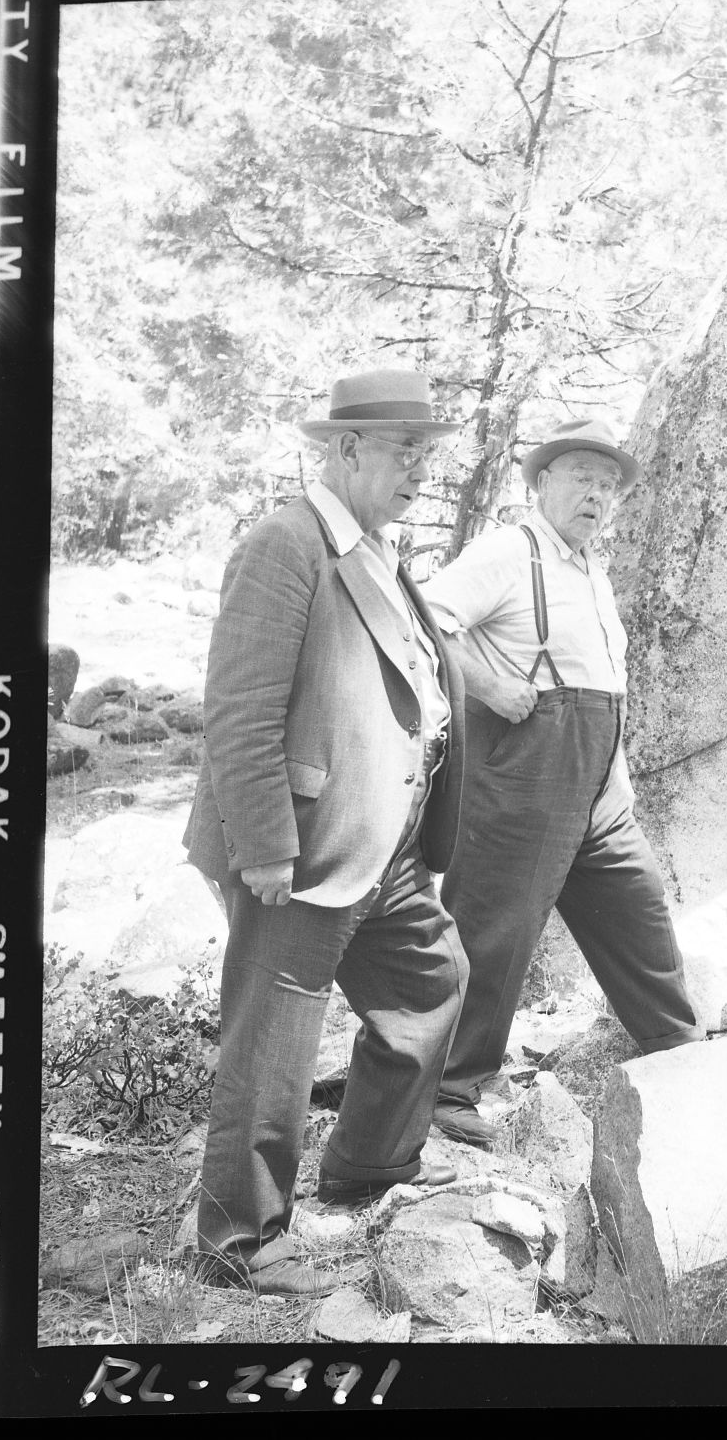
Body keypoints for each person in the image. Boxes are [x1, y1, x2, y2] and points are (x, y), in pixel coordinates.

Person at [184, 369, 470, 1296]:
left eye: (425, 451)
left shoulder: (377, 548)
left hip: (379, 841)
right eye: (405, 449)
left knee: (432, 981)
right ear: (346, 449)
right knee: (271, 1040)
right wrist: (264, 844)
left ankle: (367, 1165)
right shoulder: (284, 542)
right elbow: (238, 709)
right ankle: (241, 1240)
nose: (419, 468)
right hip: (302, 848)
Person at [420, 418, 701, 1148]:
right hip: (524, 778)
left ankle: (684, 1060)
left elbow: (604, 685)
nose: (597, 494)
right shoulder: (510, 552)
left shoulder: (591, 570)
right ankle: (445, 1089)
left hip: (598, 787)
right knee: (493, 930)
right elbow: (424, 619)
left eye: (608, 484)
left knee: (640, 916)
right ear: (542, 482)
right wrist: (487, 683)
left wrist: (616, 781)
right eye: (582, 476)